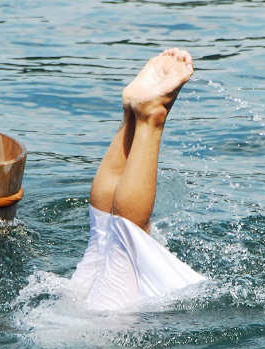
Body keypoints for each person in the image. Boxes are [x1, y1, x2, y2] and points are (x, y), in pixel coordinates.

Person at [70, 49, 206, 311]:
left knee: (113, 242)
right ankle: (138, 115)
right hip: (78, 313)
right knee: (107, 240)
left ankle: (144, 117)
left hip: (80, 320)